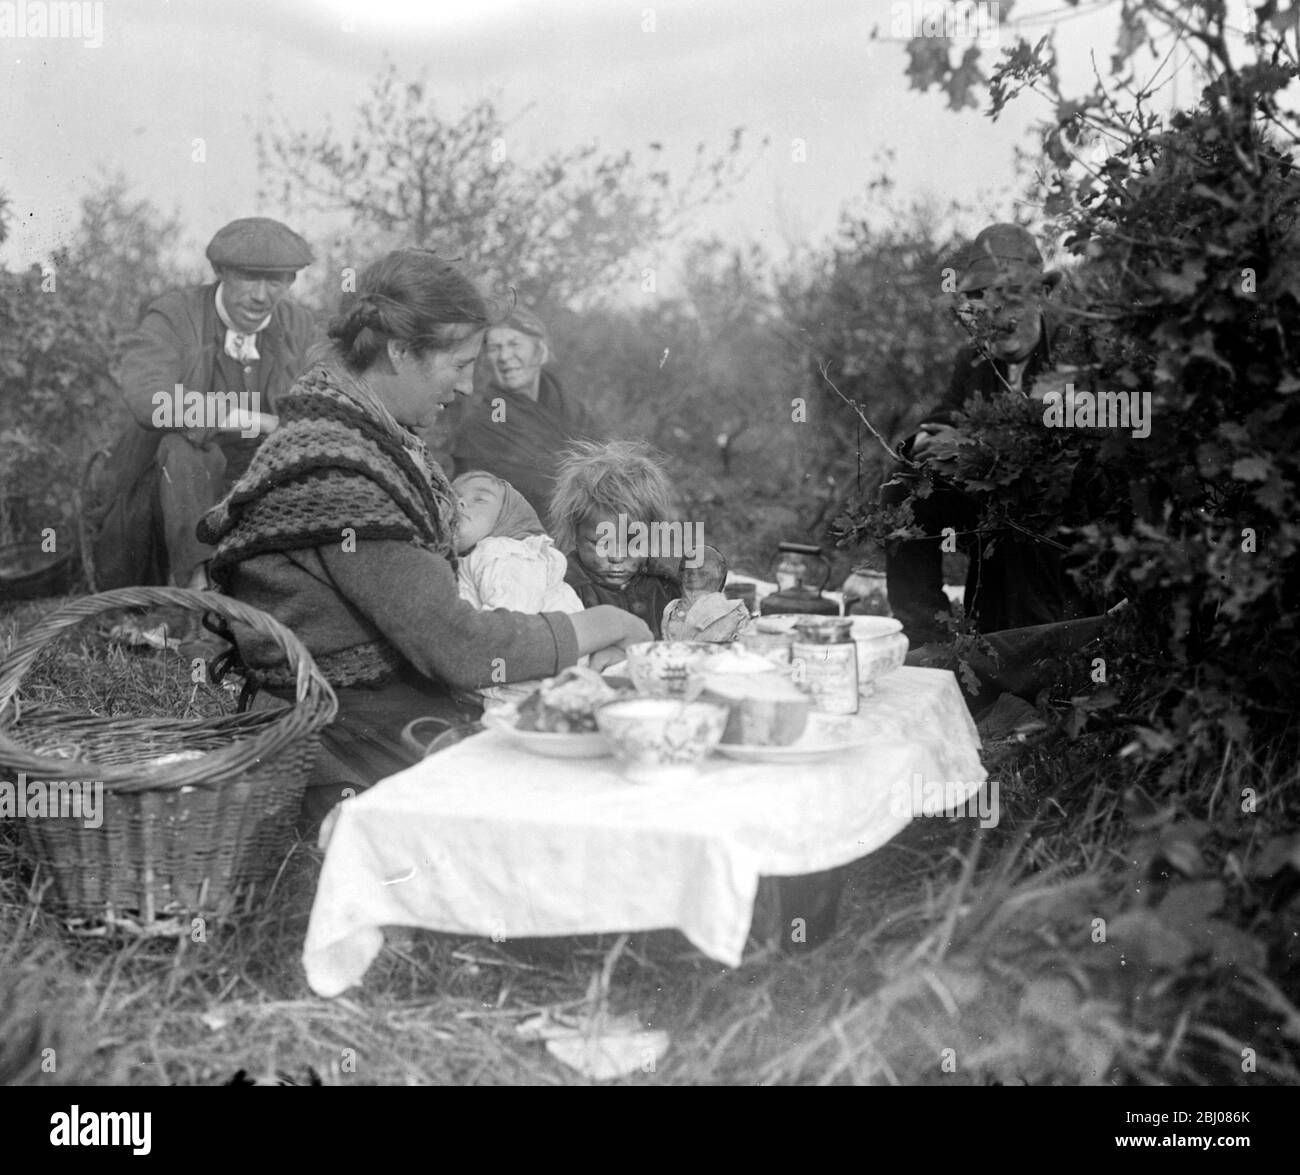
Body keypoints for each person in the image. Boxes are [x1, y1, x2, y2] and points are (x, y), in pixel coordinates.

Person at [197, 249, 651, 820]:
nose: (466, 386)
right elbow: (457, 647)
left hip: (369, 704)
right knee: (581, 785)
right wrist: (604, 621)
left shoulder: (360, 432)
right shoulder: (338, 471)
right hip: (343, 731)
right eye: (459, 364)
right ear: (400, 351)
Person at [882, 222, 1091, 644]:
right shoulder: (974, 360)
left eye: (1011, 297)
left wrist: (970, 445)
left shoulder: (1074, 352)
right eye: (982, 299)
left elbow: (1062, 447)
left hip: (1060, 516)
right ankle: (927, 641)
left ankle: (1028, 650)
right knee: (904, 488)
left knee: (1030, 649)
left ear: (1042, 296)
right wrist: (923, 443)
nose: (997, 315)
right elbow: (946, 415)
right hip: (990, 500)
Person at [88, 217, 318, 595]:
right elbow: (151, 401)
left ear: (291, 282)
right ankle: (198, 598)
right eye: (248, 277)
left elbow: (324, 397)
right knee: (183, 451)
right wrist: (250, 419)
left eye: (276, 280)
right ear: (220, 271)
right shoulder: (175, 315)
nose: (261, 296)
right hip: (167, 487)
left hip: (254, 481)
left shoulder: (298, 325)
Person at [450, 306, 602, 519]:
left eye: (514, 344)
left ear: (539, 351)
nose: (504, 356)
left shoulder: (574, 410)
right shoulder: (488, 420)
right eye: (495, 348)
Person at [452, 470, 586, 705]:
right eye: (452, 498)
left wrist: (487, 681)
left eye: (480, 499)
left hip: (528, 687)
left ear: (508, 515)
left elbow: (510, 629)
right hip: (535, 682)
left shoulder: (505, 553)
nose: (460, 502)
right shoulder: (479, 557)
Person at [550, 439, 682, 640]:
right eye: (602, 543)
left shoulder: (664, 584)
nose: (617, 557)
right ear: (575, 533)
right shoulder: (563, 589)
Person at [661, 545, 750, 642]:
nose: (692, 576)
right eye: (686, 571)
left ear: (716, 576)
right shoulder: (671, 610)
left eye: (702, 573)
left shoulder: (734, 612)